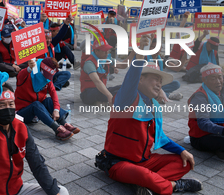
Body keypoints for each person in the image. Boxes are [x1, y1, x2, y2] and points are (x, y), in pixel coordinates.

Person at [95, 35, 202, 195]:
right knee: (143, 175)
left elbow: (160, 137)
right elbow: (130, 79)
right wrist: (141, 54)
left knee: (184, 161)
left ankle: (147, 184)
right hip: (118, 163)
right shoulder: (127, 98)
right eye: (155, 79)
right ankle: (174, 185)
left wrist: (181, 150)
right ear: (140, 80)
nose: (159, 84)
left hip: (145, 161)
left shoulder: (154, 106)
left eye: (161, 81)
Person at [0, 68, 69, 195]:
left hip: (15, 189)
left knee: (62, 192)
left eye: (11, 104)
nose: (7, 108)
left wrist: (54, 192)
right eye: (1, 105)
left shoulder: (20, 128)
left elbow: (37, 164)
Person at [15, 57, 80, 141]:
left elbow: (53, 93)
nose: (47, 78)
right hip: (21, 114)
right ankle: (57, 129)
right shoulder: (27, 76)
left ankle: (64, 123)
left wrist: (56, 109)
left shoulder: (46, 78)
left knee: (49, 100)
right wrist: (28, 69)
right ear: (40, 68)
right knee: (36, 104)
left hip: (37, 112)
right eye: (45, 74)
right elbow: (20, 75)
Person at [188, 63, 224, 159]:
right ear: (204, 80)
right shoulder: (200, 97)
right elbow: (203, 123)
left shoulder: (220, 91)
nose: (218, 82)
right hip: (200, 137)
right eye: (213, 78)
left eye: (220, 77)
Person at [80, 38, 129, 105]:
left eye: (107, 50)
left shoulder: (106, 58)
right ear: (96, 51)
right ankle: (106, 100)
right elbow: (97, 82)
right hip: (88, 93)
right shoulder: (89, 63)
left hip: (101, 89)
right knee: (111, 94)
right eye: (104, 51)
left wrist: (134, 53)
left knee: (125, 87)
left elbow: (123, 65)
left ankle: (102, 101)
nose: (107, 53)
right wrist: (109, 96)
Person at [146, 36, 183, 103]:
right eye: (153, 47)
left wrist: (185, 55)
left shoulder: (161, 59)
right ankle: (165, 95)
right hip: (148, 84)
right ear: (149, 48)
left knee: (176, 83)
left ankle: (161, 95)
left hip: (158, 84)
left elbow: (177, 68)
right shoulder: (145, 58)